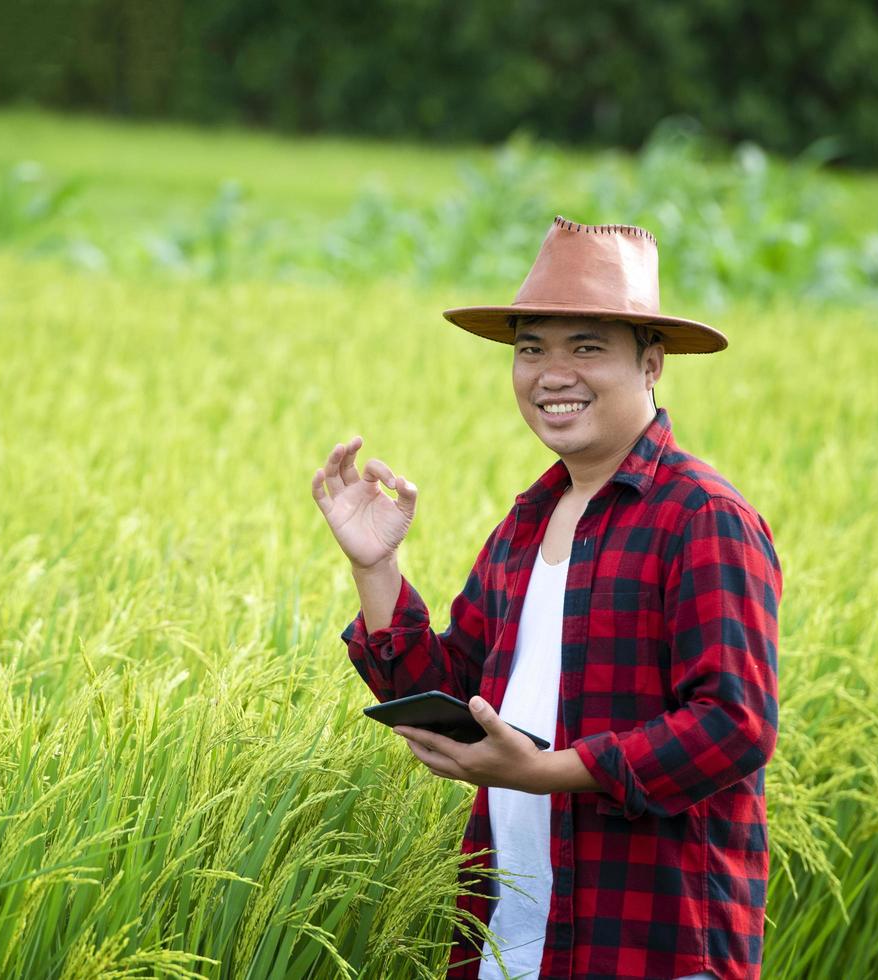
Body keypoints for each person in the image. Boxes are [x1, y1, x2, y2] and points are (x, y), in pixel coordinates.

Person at [309, 217, 782, 980]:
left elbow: (735, 725)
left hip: (648, 947)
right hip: (512, 938)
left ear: (652, 362)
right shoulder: (526, 524)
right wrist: (377, 569)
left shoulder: (702, 518)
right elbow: (453, 690)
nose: (551, 374)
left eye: (586, 347)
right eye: (532, 349)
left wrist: (546, 771)